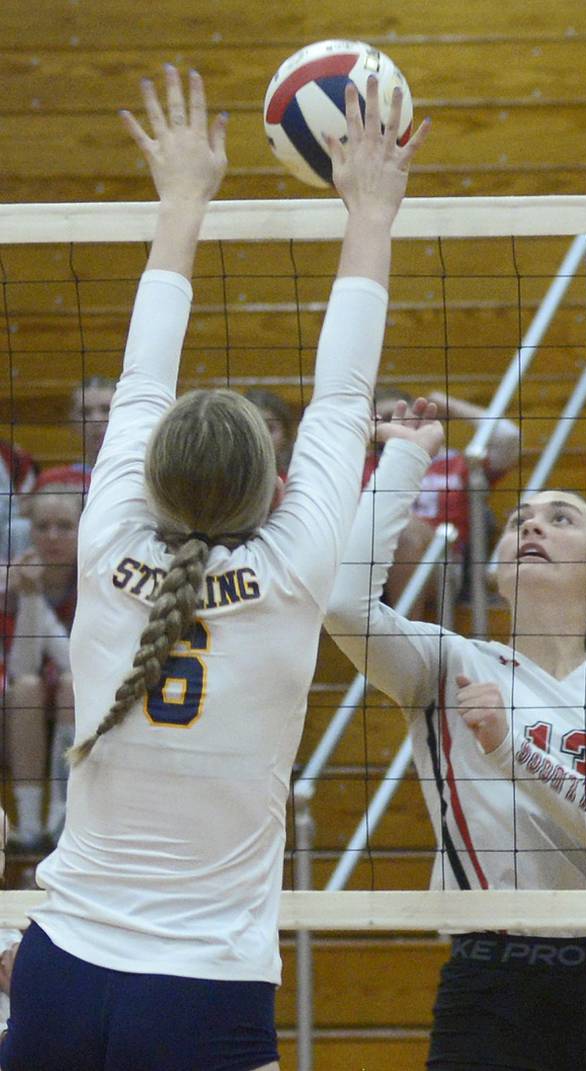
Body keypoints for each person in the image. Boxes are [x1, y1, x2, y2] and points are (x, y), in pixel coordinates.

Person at [0, 67, 429, 1071]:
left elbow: (146, 374)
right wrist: (372, 207)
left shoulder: (108, 544)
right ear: (276, 484)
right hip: (199, 992)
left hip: (59, 973)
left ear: (143, 475)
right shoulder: (292, 572)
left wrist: (181, 198)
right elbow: (344, 389)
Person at [324, 397, 586, 1071]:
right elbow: (343, 607)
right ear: (498, 572)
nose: (532, 525)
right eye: (521, 520)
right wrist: (409, 454)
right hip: (493, 988)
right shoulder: (449, 664)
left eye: (560, 519)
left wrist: (511, 749)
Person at [365, 387, 520, 619]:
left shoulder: (458, 463)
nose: (392, 425)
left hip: (441, 570)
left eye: (398, 416)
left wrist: (453, 406)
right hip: (368, 563)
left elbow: (508, 438)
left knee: (405, 527)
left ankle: (406, 633)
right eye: (383, 420)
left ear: (417, 416)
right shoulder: (360, 465)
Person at [3, 478, 82, 853]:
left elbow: (75, 664)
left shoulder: (97, 579)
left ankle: (62, 819)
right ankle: (31, 825)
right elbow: (23, 666)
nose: (52, 536)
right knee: (27, 688)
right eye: (42, 526)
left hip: (81, 696)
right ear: (29, 530)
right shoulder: (11, 581)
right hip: (20, 708)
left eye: (64, 527)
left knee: (71, 682)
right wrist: (30, 598)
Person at [33, 376, 114, 495]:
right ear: (73, 422)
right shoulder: (54, 481)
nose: (96, 420)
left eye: (106, 410)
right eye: (85, 412)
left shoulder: (144, 474)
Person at [244, 387, 296, 477]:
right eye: (253, 428)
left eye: (270, 428)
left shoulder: (296, 483)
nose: (262, 437)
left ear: (285, 436)